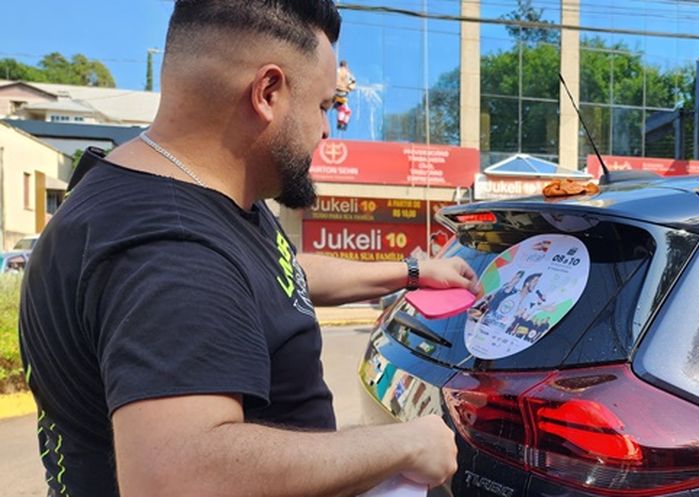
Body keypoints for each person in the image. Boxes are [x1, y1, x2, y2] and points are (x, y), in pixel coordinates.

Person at [17, 2, 476, 496]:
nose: (326, 130)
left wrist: (412, 272)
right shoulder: (173, 249)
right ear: (268, 92)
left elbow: (274, 277)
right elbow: (174, 479)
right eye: (323, 106)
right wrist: (403, 444)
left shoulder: (193, 198)